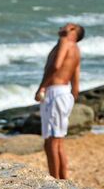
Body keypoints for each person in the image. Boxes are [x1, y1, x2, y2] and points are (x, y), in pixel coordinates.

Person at [34, 23, 83, 180]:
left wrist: (41, 87)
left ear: (73, 31)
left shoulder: (65, 42)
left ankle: (54, 180)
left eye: (70, 25)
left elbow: (56, 66)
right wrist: (73, 96)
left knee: (51, 142)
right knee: (59, 141)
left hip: (55, 92)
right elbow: (76, 78)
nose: (65, 25)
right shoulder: (75, 49)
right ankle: (63, 180)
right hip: (65, 93)